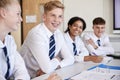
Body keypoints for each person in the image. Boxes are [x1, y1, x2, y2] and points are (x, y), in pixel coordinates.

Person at [19, 1, 74, 78]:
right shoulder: (36, 34)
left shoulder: (58, 33)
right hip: (28, 76)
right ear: (44, 17)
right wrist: (57, 59)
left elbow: (70, 58)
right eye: (53, 15)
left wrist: (58, 65)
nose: (56, 20)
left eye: (60, 16)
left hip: (46, 75)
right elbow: (47, 68)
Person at [0, 0, 30, 80]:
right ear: (3, 13)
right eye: (18, 14)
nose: (21, 19)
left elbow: (21, 70)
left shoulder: (9, 41)